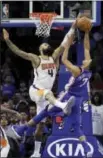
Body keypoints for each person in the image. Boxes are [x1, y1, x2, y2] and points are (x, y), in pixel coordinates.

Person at [12, 18, 93, 157]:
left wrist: (67, 46)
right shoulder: (88, 69)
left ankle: (21, 129)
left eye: (85, 59)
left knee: (45, 113)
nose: (85, 58)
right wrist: (86, 33)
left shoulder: (76, 71)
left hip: (68, 97)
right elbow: (86, 48)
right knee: (76, 125)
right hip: (78, 100)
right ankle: (86, 148)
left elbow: (64, 60)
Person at [3, 22, 75, 157]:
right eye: (44, 44)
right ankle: (63, 105)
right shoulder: (36, 59)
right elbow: (18, 52)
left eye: (47, 44)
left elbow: (64, 42)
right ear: (41, 49)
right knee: (48, 93)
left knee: (40, 125)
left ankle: (35, 152)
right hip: (36, 91)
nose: (45, 44)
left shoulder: (54, 58)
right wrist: (7, 40)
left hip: (45, 96)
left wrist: (73, 27)